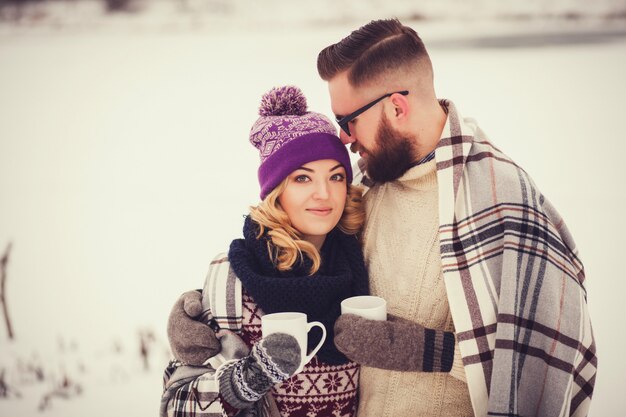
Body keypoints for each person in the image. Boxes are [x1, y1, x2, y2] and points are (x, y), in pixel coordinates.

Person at [316, 18, 597, 417]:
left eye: (348, 122)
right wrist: (211, 305)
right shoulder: (361, 184)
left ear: (397, 107)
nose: (344, 138)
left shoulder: (501, 198)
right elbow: (288, 249)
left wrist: (434, 352)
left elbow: (545, 361)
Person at [161, 86, 458, 417]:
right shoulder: (234, 278)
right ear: (276, 191)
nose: (323, 194)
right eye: (302, 178)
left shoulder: (358, 261)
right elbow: (177, 405)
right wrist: (250, 377)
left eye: (335, 176)